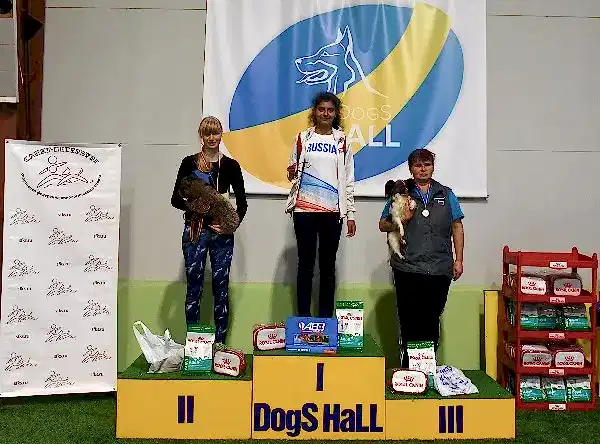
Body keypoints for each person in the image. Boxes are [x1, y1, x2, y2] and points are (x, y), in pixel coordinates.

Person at [379, 148, 464, 367]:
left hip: (439, 269)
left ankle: (427, 369)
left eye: (427, 164)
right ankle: (408, 370)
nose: (423, 169)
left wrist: (459, 260)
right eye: (418, 165)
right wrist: (402, 221)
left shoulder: (446, 194)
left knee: (431, 321)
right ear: (411, 169)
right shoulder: (400, 193)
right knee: (409, 322)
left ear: (433, 167)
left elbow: (457, 226)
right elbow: (382, 225)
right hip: (407, 268)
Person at [171, 116, 247, 344]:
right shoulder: (189, 163)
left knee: (221, 288)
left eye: (215, 133)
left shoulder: (231, 166)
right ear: (201, 136)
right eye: (207, 133)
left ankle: (220, 343)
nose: (212, 138)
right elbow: (175, 199)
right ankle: (194, 345)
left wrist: (229, 225)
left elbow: (242, 203)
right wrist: (197, 206)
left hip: (221, 235)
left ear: (221, 135)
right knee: (194, 287)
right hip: (195, 232)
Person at [285, 91, 356, 318]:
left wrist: (350, 214)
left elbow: (348, 180)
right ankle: (303, 319)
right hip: (304, 211)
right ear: (314, 112)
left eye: (330, 110)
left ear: (336, 114)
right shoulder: (302, 138)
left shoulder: (342, 141)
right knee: (305, 266)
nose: (325, 113)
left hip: (332, 212)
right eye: (321, 109)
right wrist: (292, 172)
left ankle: (325, 320)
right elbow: (291, 170)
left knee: (327, 268)